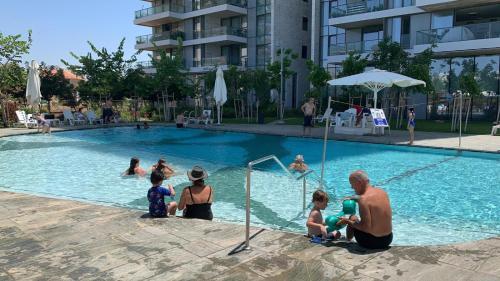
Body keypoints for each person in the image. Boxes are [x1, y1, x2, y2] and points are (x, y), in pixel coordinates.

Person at [338, 170, 393, 249]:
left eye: (352, 184)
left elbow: (366, 228)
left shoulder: (363, 199)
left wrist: (347, 221)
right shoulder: (383, 192)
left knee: (352, 217)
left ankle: (348, 241)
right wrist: (353, 198)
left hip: (372, 242)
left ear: (359, 183)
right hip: (388, 239)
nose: (352, 187)